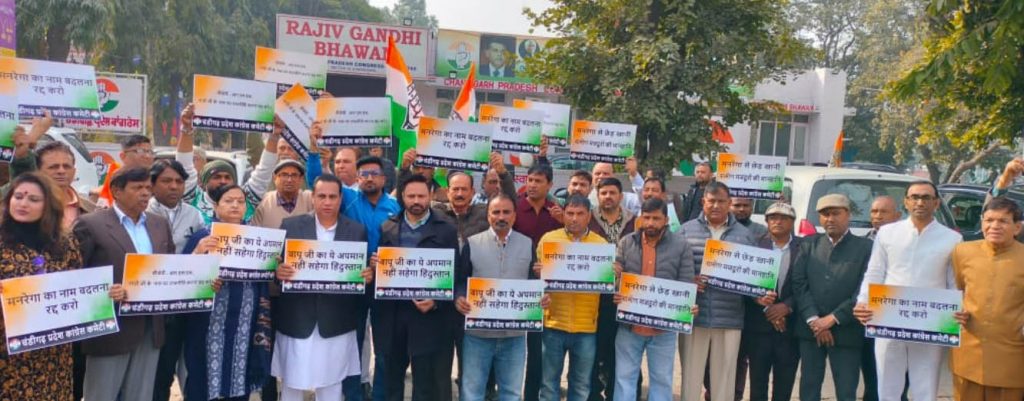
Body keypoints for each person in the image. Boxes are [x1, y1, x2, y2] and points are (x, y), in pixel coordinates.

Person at [74, 167, 176, 400]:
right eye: (137, 188)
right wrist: (104, 291)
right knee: (101, 395)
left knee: (141, 395)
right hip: (111, 328)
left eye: (148, 188)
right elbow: (75, 274)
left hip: (150, 326)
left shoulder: (159, 224)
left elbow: (169, 267)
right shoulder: (90, 224)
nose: (145, 193)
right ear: (117, 191)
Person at [852, 182, 961, 401]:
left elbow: (953, 281)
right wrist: (863, 302)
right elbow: (875, 272)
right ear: (906, 202)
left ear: (936, 203)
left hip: (930, 321)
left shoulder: (952, 238)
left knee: (926, 384)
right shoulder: (887, 233)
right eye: (915, 197)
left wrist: (958, 309)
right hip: (888, 316)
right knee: (887, 383)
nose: (920, 202)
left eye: (926, 197)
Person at [273, 174, 374, 400]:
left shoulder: (356, 231)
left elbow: (360, 273)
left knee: (332, 386)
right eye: (321, 196)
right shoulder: (291, 226)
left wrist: (366, 276)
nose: (327, 202)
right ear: (313, 198)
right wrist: (278, 273)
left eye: (332, 197)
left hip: (336, 321)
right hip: (297, 319)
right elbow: (276, 267)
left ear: (340, 199)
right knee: (292, 384)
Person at [455, 194, 550, 401]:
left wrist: (541, 297)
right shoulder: (472, 243)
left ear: (515, 216)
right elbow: (461, 280)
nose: (501, 217)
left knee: (511, 393)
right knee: (472, 392)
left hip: (514, 336)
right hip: (478, 335)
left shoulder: (527, 244)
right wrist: (459, 297)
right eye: (496, 212)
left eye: (506, 212)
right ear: (488, 215)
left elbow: (532, 282)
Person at [373, 174, 460, 401]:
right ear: (402, 196)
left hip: (428, 318)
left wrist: (436, 301)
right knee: (392, 380)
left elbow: (456, 274)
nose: (416, 201)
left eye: (421, 196)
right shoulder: (388, 227)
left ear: (430, 195)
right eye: (411, 196)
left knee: (425, 383)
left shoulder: (447, 229)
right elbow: (382, 270)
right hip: (394, 315)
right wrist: (376, 266)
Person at [183, 184, 273, 401]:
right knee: (202, 378)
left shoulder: (257, 240)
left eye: (240, 202)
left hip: (246, 322)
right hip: (208, 322)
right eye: (228, 201)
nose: (235, 205)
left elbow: (266, 276)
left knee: (239, 375)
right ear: (216, 206)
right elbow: (183, 276)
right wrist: (198, 253)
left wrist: (272, 263)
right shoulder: (203, 237)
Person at [0, 173, 85, 400]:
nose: (23, 203)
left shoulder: (65, 243)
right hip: (9, 352)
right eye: (18, 196)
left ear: (48, 206)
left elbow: (78, 286)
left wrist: (104, 295)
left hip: (54, 353)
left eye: (33, 199)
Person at [678, 181, 763, 401]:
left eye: (721, 201)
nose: (716, 206)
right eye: (711, 201)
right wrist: (689, 281)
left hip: (730, 317)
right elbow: (674, 268)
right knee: (690, 378)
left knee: (725, 380)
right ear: (702, 202)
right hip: (694, 316)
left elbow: (754, 277)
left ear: (729, 203)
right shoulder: (685, 230)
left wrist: (761, 295)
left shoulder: (744, 235)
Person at [612, 197, 697, 401]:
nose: (650, 223)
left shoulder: (681, 246)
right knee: (624, 379)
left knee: (661, 380)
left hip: (663, 330)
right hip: (629, 326)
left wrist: (688, 305)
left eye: (656, 218)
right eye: (647, 217)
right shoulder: (626, 242)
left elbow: (686, 283)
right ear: (640, 218)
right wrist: (616, 286)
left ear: (666, 220)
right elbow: (616, 279)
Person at [790, 194, 873, 401]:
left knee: (846, 391)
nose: (830, 219)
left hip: (847, 330)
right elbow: (799, 284)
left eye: (836, 213)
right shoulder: (809, 244)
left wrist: (833, 318)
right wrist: (814, 320)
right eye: (825, 214)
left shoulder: (865, 247)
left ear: (848, 215)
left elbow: (864, 289)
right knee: (809, 388)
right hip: (811, 330)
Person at [948, 196, 1024, 401]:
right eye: (989, 220)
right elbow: (957, 290)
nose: (994, 226)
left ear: (1017, 228)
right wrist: (958, 309)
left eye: (1003, 221)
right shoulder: (963, 252)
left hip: (1011, 355)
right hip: (968, 353)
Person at [534, 195, 607, 401]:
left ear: (589, 216)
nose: (574, 218)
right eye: (570, 213)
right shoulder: (548, 240)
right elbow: (538, 283)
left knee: (581, 385)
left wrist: (613, 274)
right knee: (549, 384)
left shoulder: (601, 244)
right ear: (563, 214)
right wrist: (538, 274)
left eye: (580, 214)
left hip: (586, 327)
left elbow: (606, 285)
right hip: (553, 323)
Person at [147, 160, 207, 401]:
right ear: (152, 185)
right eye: (166, 181)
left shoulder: (194, 215)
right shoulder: (143, 212)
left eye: (179, 182)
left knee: (179, 368)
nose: (173, 186)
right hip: (150, 304)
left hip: (185, 302)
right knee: (154, 372)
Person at [177, 103, 279, 224]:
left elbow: (264, 171)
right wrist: (186, 129)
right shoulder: (194, 198)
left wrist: (274, 136)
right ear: (204, 182)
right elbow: (184, 167)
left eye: (227, 177)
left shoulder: (246, 199)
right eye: (217, 177)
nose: (223, 181)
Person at [513, 163, 564, 401]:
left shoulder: (557, 212)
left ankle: (531, 396)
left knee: (537, 350)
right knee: (508, 345)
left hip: (545, 290)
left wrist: (563, 221)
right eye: (530, 180)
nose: (532, 185)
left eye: (538, 181)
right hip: (514, 285)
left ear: (550, 185)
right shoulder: (515, 208)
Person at [744, 202, 802, 401]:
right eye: (773, 218)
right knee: (757, 385)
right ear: (766, 221)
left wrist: (787, 306)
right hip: (759, 329)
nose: (778, 221)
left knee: (784, 387)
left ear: (792, 222)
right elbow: (744, 281)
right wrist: (761, 301)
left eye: (784, 218)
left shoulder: (805, 247)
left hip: (790, 329)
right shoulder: (754, 246)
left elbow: (808, 284)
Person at [588, 177, 636, 401]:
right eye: (603, 193)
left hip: (624, 295)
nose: (608, 197)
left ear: (621, 196)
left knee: (620, 350)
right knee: (594, 348)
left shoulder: (634, 221)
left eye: (612, 193)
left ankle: (616, 394)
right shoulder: (588, 218)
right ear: (597, 196)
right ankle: (593, 393)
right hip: (595, 295)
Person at [97, 134, 158, 207]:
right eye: (141, 151)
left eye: (150, 152)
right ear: (123, 156)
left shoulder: (158, 177)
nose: (147, 156)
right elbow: (104, 204)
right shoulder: (117, 177)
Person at [251, 160, 313, 229]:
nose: (289, 180)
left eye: (294, 175)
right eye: (284, 175)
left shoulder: (309, 199)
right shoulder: (263, 202)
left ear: (301, 179)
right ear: (274, 178)